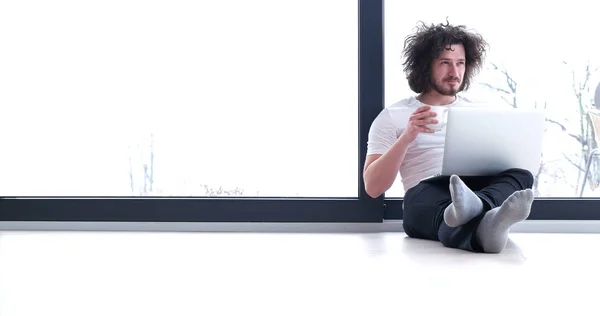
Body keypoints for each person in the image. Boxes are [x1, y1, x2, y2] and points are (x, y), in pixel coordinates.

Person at [363, 21, 535, 253]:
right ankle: (486, 222)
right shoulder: (394, 116)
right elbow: (373, 187)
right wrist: (406, 137)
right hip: (426, 196)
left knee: (521, 175)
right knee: (425, 201)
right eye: (445, 63)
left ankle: (480, 212)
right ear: (425, 66)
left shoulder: (482, 112)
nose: (455, 73)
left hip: (475, 190)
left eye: (460, 63)